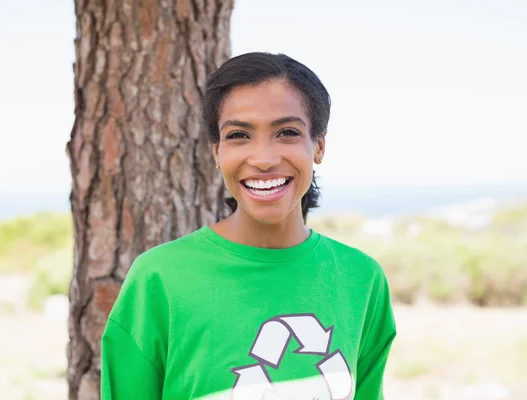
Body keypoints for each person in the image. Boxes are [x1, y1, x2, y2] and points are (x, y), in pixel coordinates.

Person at [100, 52, 396, 400]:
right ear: (217, 152)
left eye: (287, 132)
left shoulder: (361, 278)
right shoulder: (159, 279)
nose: (264, 159)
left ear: (318, 145)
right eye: (239, 135)